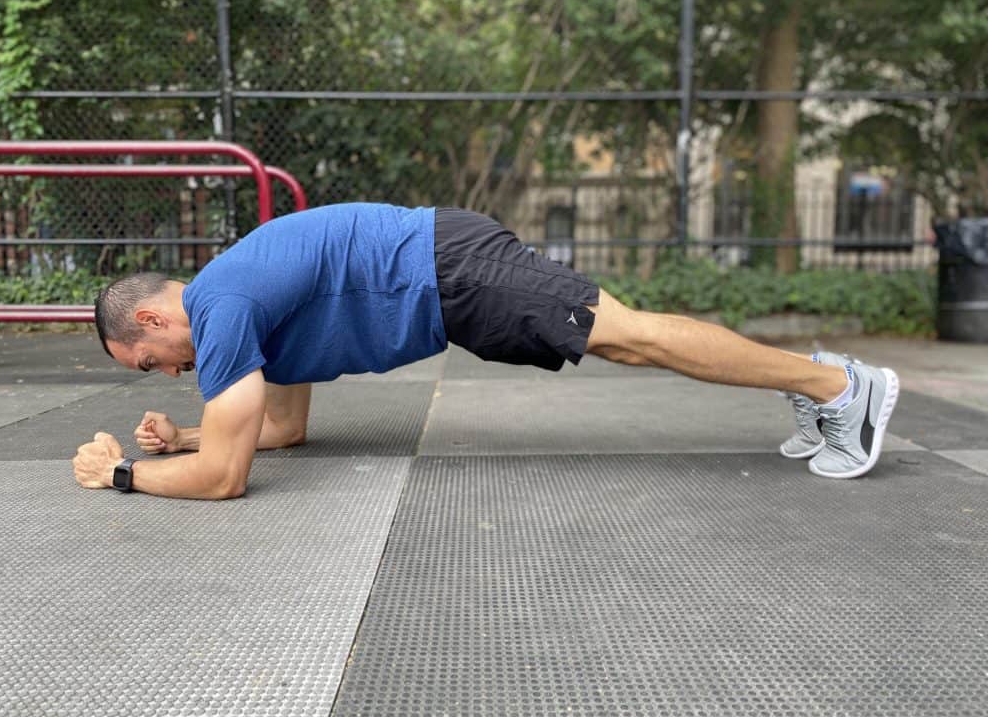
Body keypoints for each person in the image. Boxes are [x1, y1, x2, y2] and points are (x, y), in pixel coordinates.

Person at [72, 204, 899, 499]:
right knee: (633, 344)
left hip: (450, 270)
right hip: (448, 273)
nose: (173, 374)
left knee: (635, 334)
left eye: (155, 361)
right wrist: (184, 437)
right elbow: (278, 432)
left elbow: (227, 478)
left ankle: (839, 387)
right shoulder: (241, 310)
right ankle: (829, 385)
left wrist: (122, 474)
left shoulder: (222, 304)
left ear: (152, 317)